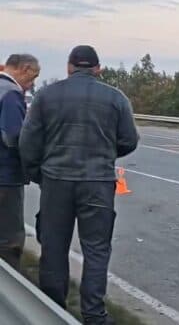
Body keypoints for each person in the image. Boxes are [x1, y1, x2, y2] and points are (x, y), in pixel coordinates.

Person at [19, 45, 139, 325]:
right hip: (97, 183)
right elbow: (129, 140)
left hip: (57, 181)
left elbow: (28, 143)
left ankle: (52, 309)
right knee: (96, 249)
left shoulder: (46, 96)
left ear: (69, 67)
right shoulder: (116, 98)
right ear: (98, 69)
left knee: (53, 246)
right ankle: (94, 315)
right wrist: (104, 153)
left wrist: (39, 173)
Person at [0, 54, 39, 270]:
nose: (32, 84)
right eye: (33, 77)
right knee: (9, 237)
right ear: (24, 68)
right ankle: (9, 280)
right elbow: (13, 136)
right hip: (6, 175)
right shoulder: (11, 93)